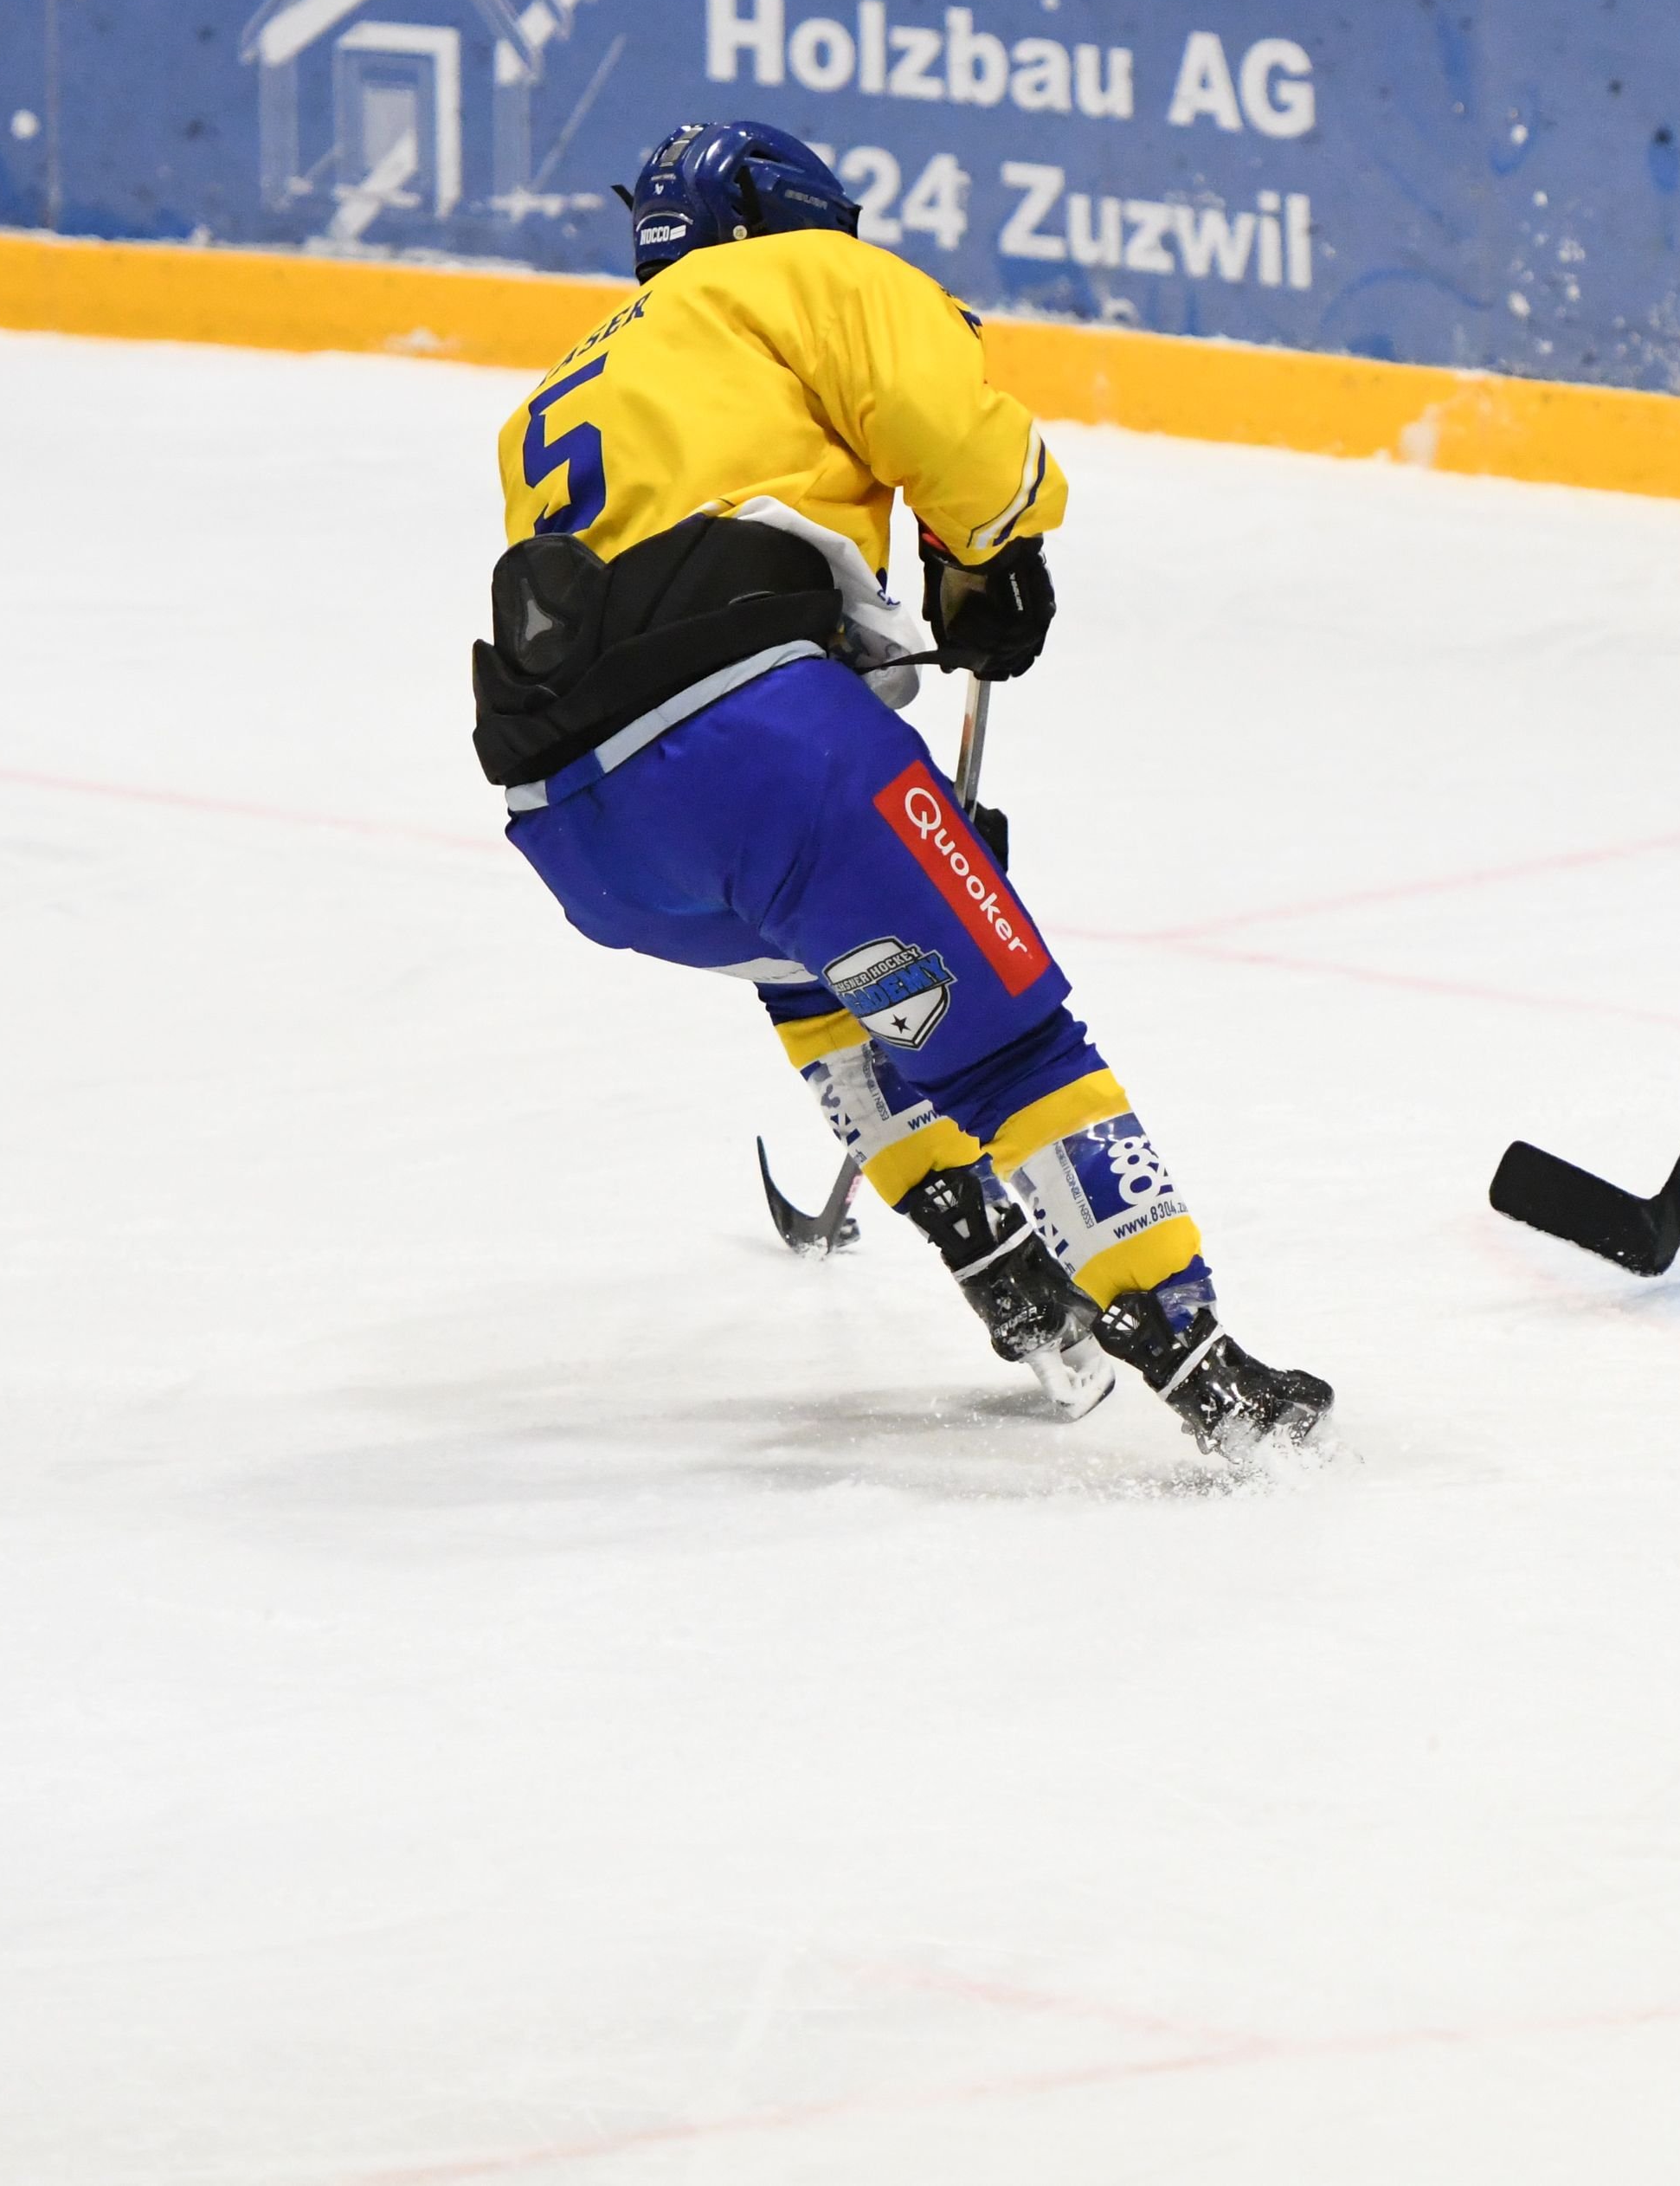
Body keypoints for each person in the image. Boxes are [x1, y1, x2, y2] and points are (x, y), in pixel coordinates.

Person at [472, 120, 1329, 1453]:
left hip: (582, 832)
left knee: (819, 969)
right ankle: (1203, 1365)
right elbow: (959, 443)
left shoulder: (560, 391)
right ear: (787, 216)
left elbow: (669, 578)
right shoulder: (802, 277)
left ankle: (1001, 1270)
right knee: (1009, 1040)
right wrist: (993, 549)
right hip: (764, 756)